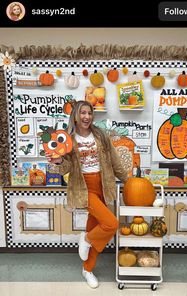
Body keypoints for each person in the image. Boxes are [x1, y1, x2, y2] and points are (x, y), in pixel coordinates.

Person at [46, 100, 128, 288]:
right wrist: (58, 161)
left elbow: (114, 159)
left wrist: (128, 180)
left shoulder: (100, 135)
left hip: (103, 185)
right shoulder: (68, 139)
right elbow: (66, 168)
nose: (86, 117)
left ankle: (87, 269)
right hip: (84, 188)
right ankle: (86, 239)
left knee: (95, 227)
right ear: (75, 115)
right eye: (82, 113)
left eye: (89, 113)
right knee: (111, 223)